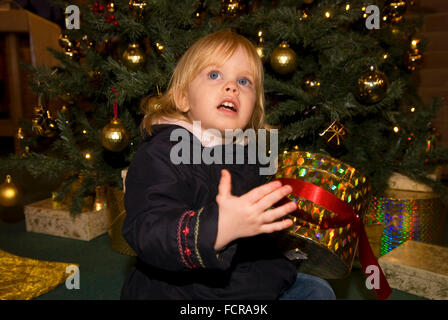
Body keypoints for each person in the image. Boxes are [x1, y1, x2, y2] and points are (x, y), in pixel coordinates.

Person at [121, 30, 336, 300]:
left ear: (252, 111)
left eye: (244, 81)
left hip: (244, 282)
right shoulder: (162, 153)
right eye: (214, 75)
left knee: (317, 291)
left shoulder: (251, 155)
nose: (232, 87)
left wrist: (290, 230)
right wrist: (218, 229)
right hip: (180, 290)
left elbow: (261, 234)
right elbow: (148, 230)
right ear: (184, 98)